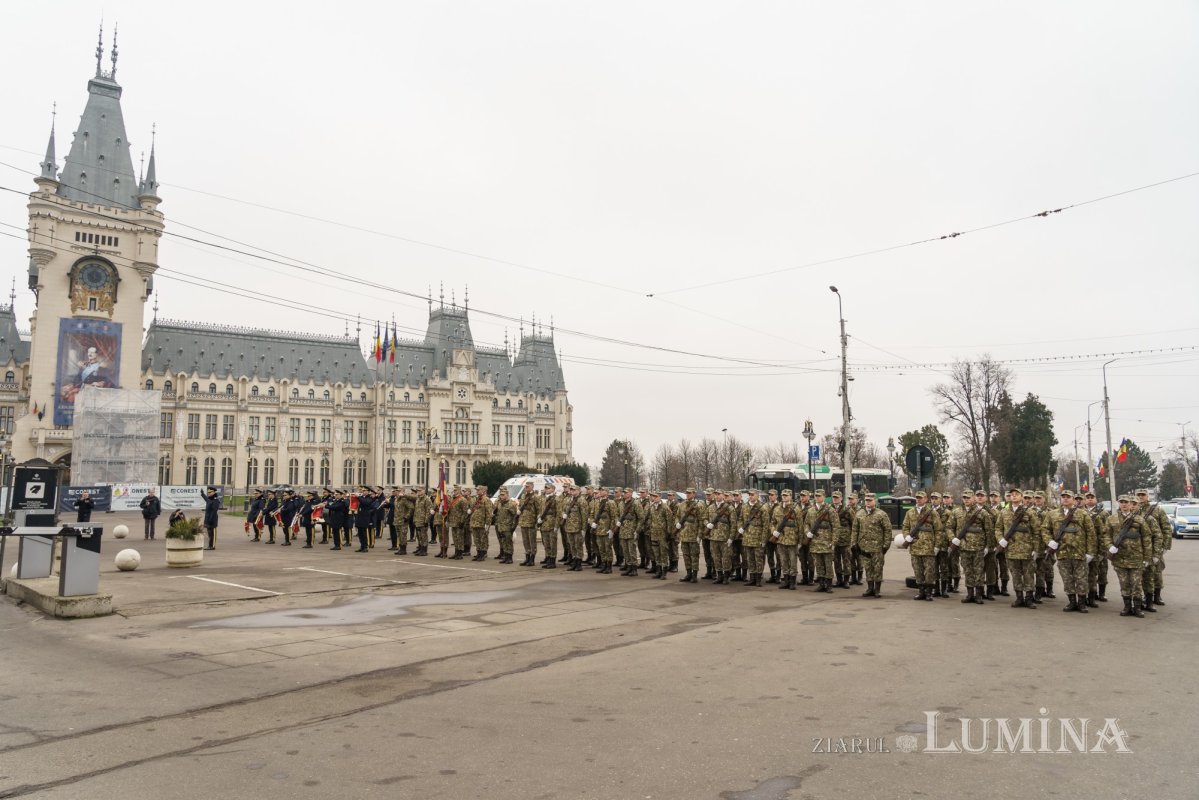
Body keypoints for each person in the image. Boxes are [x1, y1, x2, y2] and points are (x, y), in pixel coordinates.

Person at [996, 488, 1037, 608]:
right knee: (1016, 574)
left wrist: (1035, 548)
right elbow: (998, 528)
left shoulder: (1029, 512)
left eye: (1016, 495)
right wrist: (1000, 539)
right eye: (1011, 495)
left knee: (1028, 574)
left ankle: (1029, 598)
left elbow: (1036, 531)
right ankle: (1019, 597)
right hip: (1011, 549)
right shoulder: (1004, 512)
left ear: (1022, 496)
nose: (1013, 496)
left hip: (1026, 548)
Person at [901, 490, 941, 601]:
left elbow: (938, 530)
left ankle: (929, 593)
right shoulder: (910, 512)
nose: (919, 499)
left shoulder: (932, 512)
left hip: (928, 547)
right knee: (917, 570)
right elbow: (905, 527)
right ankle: (921, 592)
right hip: (915, 547)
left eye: (921, 497)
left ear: (926, 499)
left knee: (929, 571)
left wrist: (937, 545)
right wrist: (906, 537)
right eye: (917, 498)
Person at [850, 493, 891, 597]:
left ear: (875, 501)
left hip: (877, 547)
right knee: (868, 568)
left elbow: (887, 530)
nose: (868, 502)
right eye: (867, 500)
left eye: (870, 500)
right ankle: (870, 588)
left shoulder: (881, 514)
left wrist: (886, 545)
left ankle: (877, 590)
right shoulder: (859, 514)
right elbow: (855, 530)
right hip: (864, 547)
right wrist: (854, 543)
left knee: (877, 568)